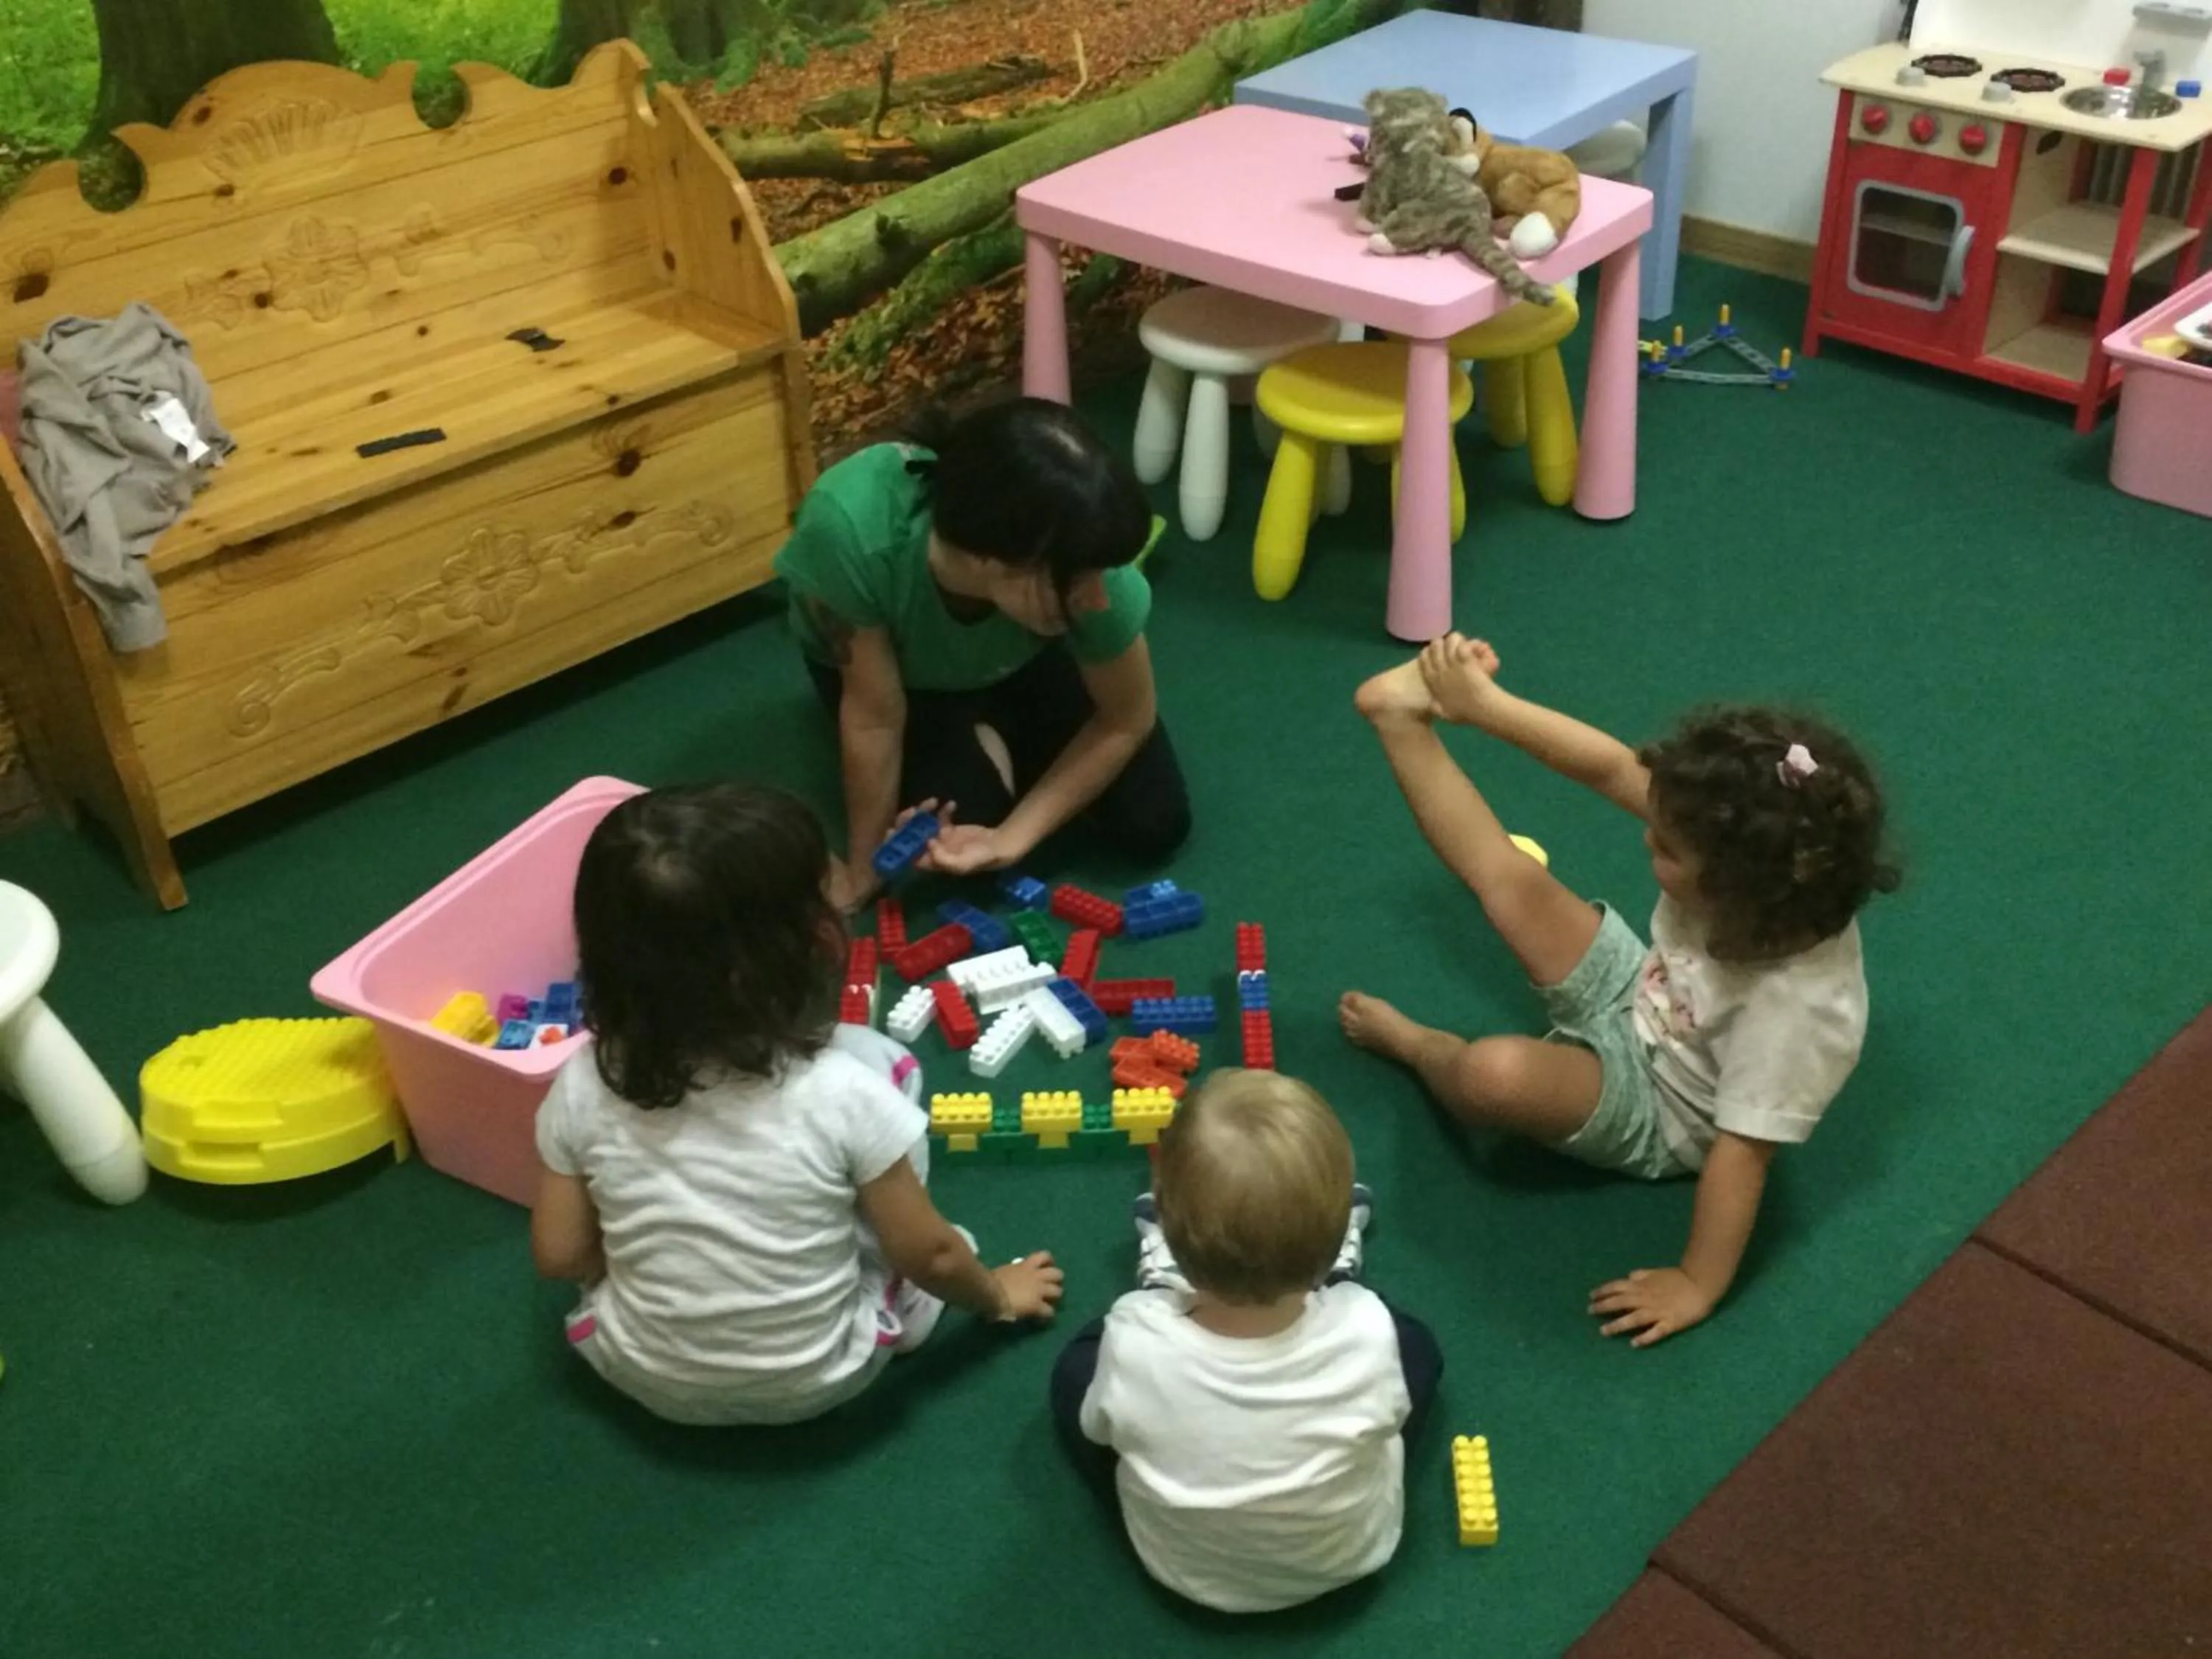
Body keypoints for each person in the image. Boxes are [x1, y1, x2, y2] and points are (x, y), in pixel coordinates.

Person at [1342, 635, 1899, 1348]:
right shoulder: (1745, 851)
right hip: (1649, 993)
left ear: (1735, 893)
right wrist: (1483, 706)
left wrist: (1698, 1282)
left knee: (1492, 1074)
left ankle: (1421, 1050)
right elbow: (1609, 767)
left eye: (1667, 849)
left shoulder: (1796, 1014)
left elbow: (1741, 1155)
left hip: (1665, 1108)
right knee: (1511, 879)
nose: (1647, 842)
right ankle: (1397, 718)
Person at [529, 783, 1063, 1425]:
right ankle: (899, 1310)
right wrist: (998, 1295)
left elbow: (559, 1254)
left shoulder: (585, 1078)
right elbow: (934, 1256)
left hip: (640, 1370)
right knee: (886, 1073)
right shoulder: (846, 1090)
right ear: (804, 947)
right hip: (822, 1373)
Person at [774, 397, 1191, 911]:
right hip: (903, 679)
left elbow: (1126, 720)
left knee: (1155, 822)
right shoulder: (849, 529)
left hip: (1022, 658)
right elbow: (875, 717)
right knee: (961, 827)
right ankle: (988, 745)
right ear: (991, 555)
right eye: (1080, 581)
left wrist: (1009, 839)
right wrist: (865, 869)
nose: (1101, 597)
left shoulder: (1089, 557)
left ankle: (998, 743)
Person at [1050, 1071, 1442, 1613]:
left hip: (1187, 1569)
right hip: (1345, 1555)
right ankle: (1338, 1279)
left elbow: (1098, 1430)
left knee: (1075, 1373)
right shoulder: (1368, 1329)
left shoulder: (1133, 1335)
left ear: (1168, 1215)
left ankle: (1166, 1283)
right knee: (1417, 1349)